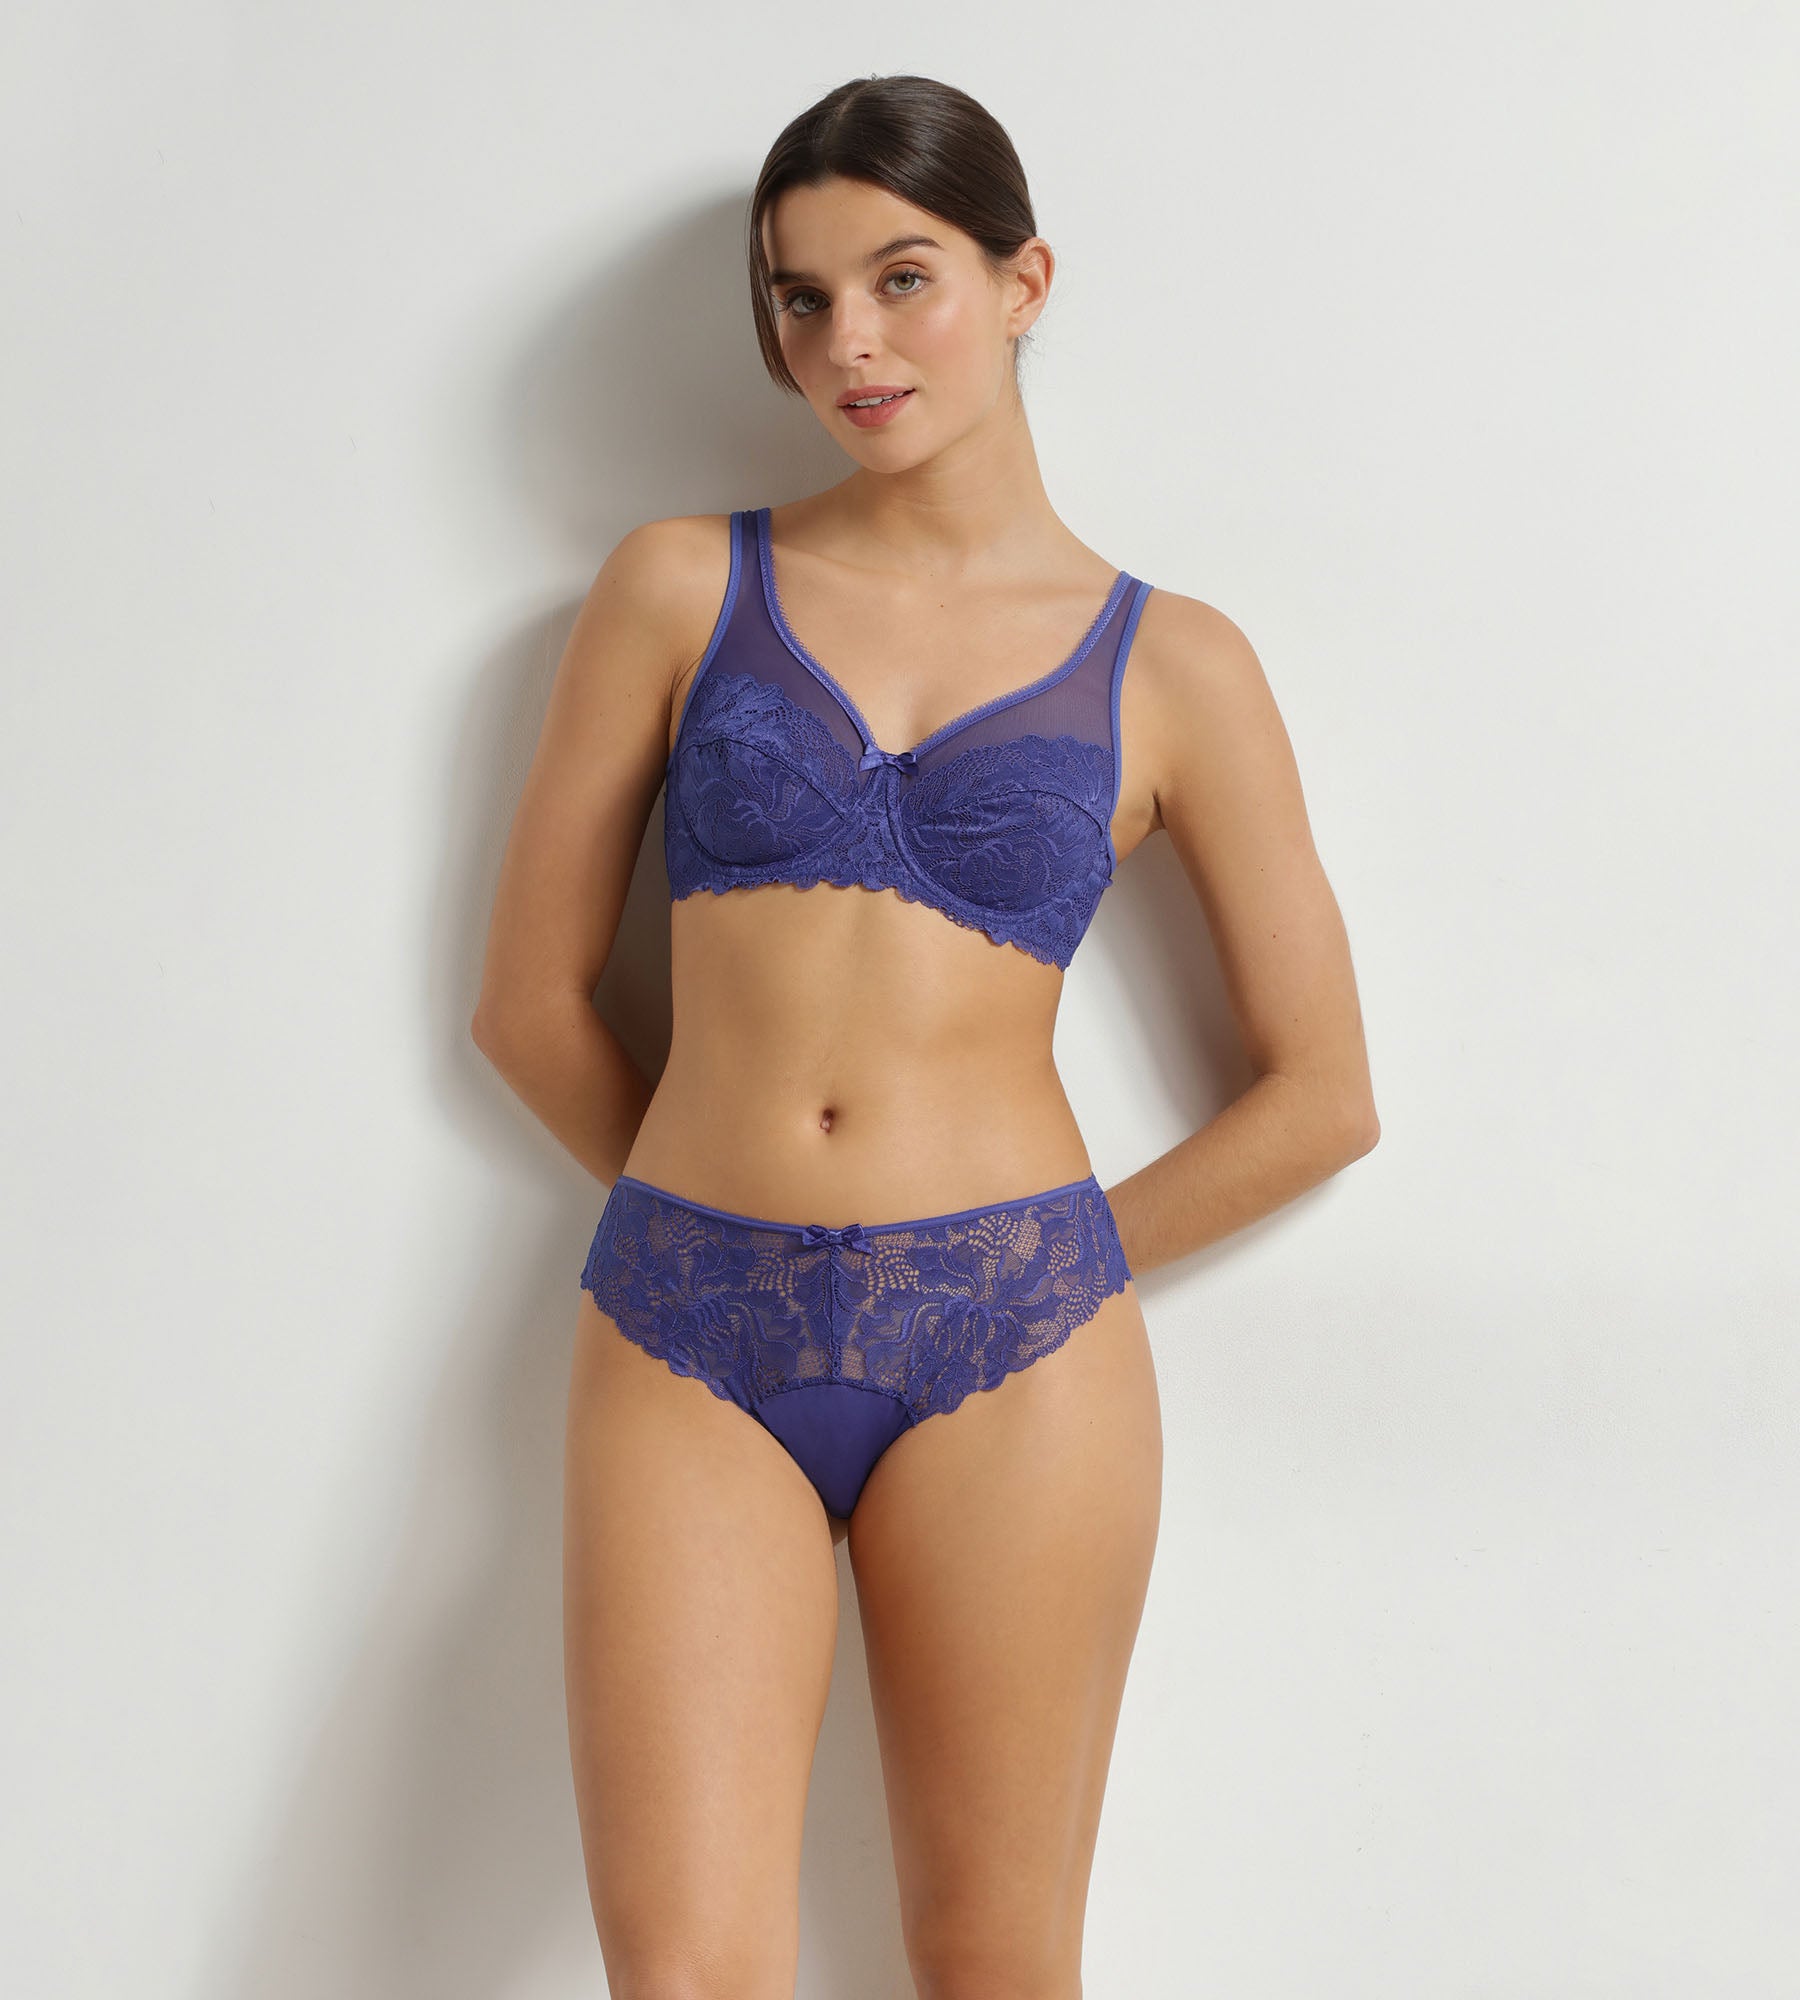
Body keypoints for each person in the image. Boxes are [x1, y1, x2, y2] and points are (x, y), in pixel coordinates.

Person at [472, 71, 1378, 2000]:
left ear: (1023, 280)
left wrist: (1038, 1268)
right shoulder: (679, 586)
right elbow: (526, 1005)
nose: (850, 345)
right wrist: (709, 1211)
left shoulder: (1178, 663)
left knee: (995, 1963)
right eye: (800, 300)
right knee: (682, 1974)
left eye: (903, 280)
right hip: (687, 1322)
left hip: (1015, 1346)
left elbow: (1323, 1096)